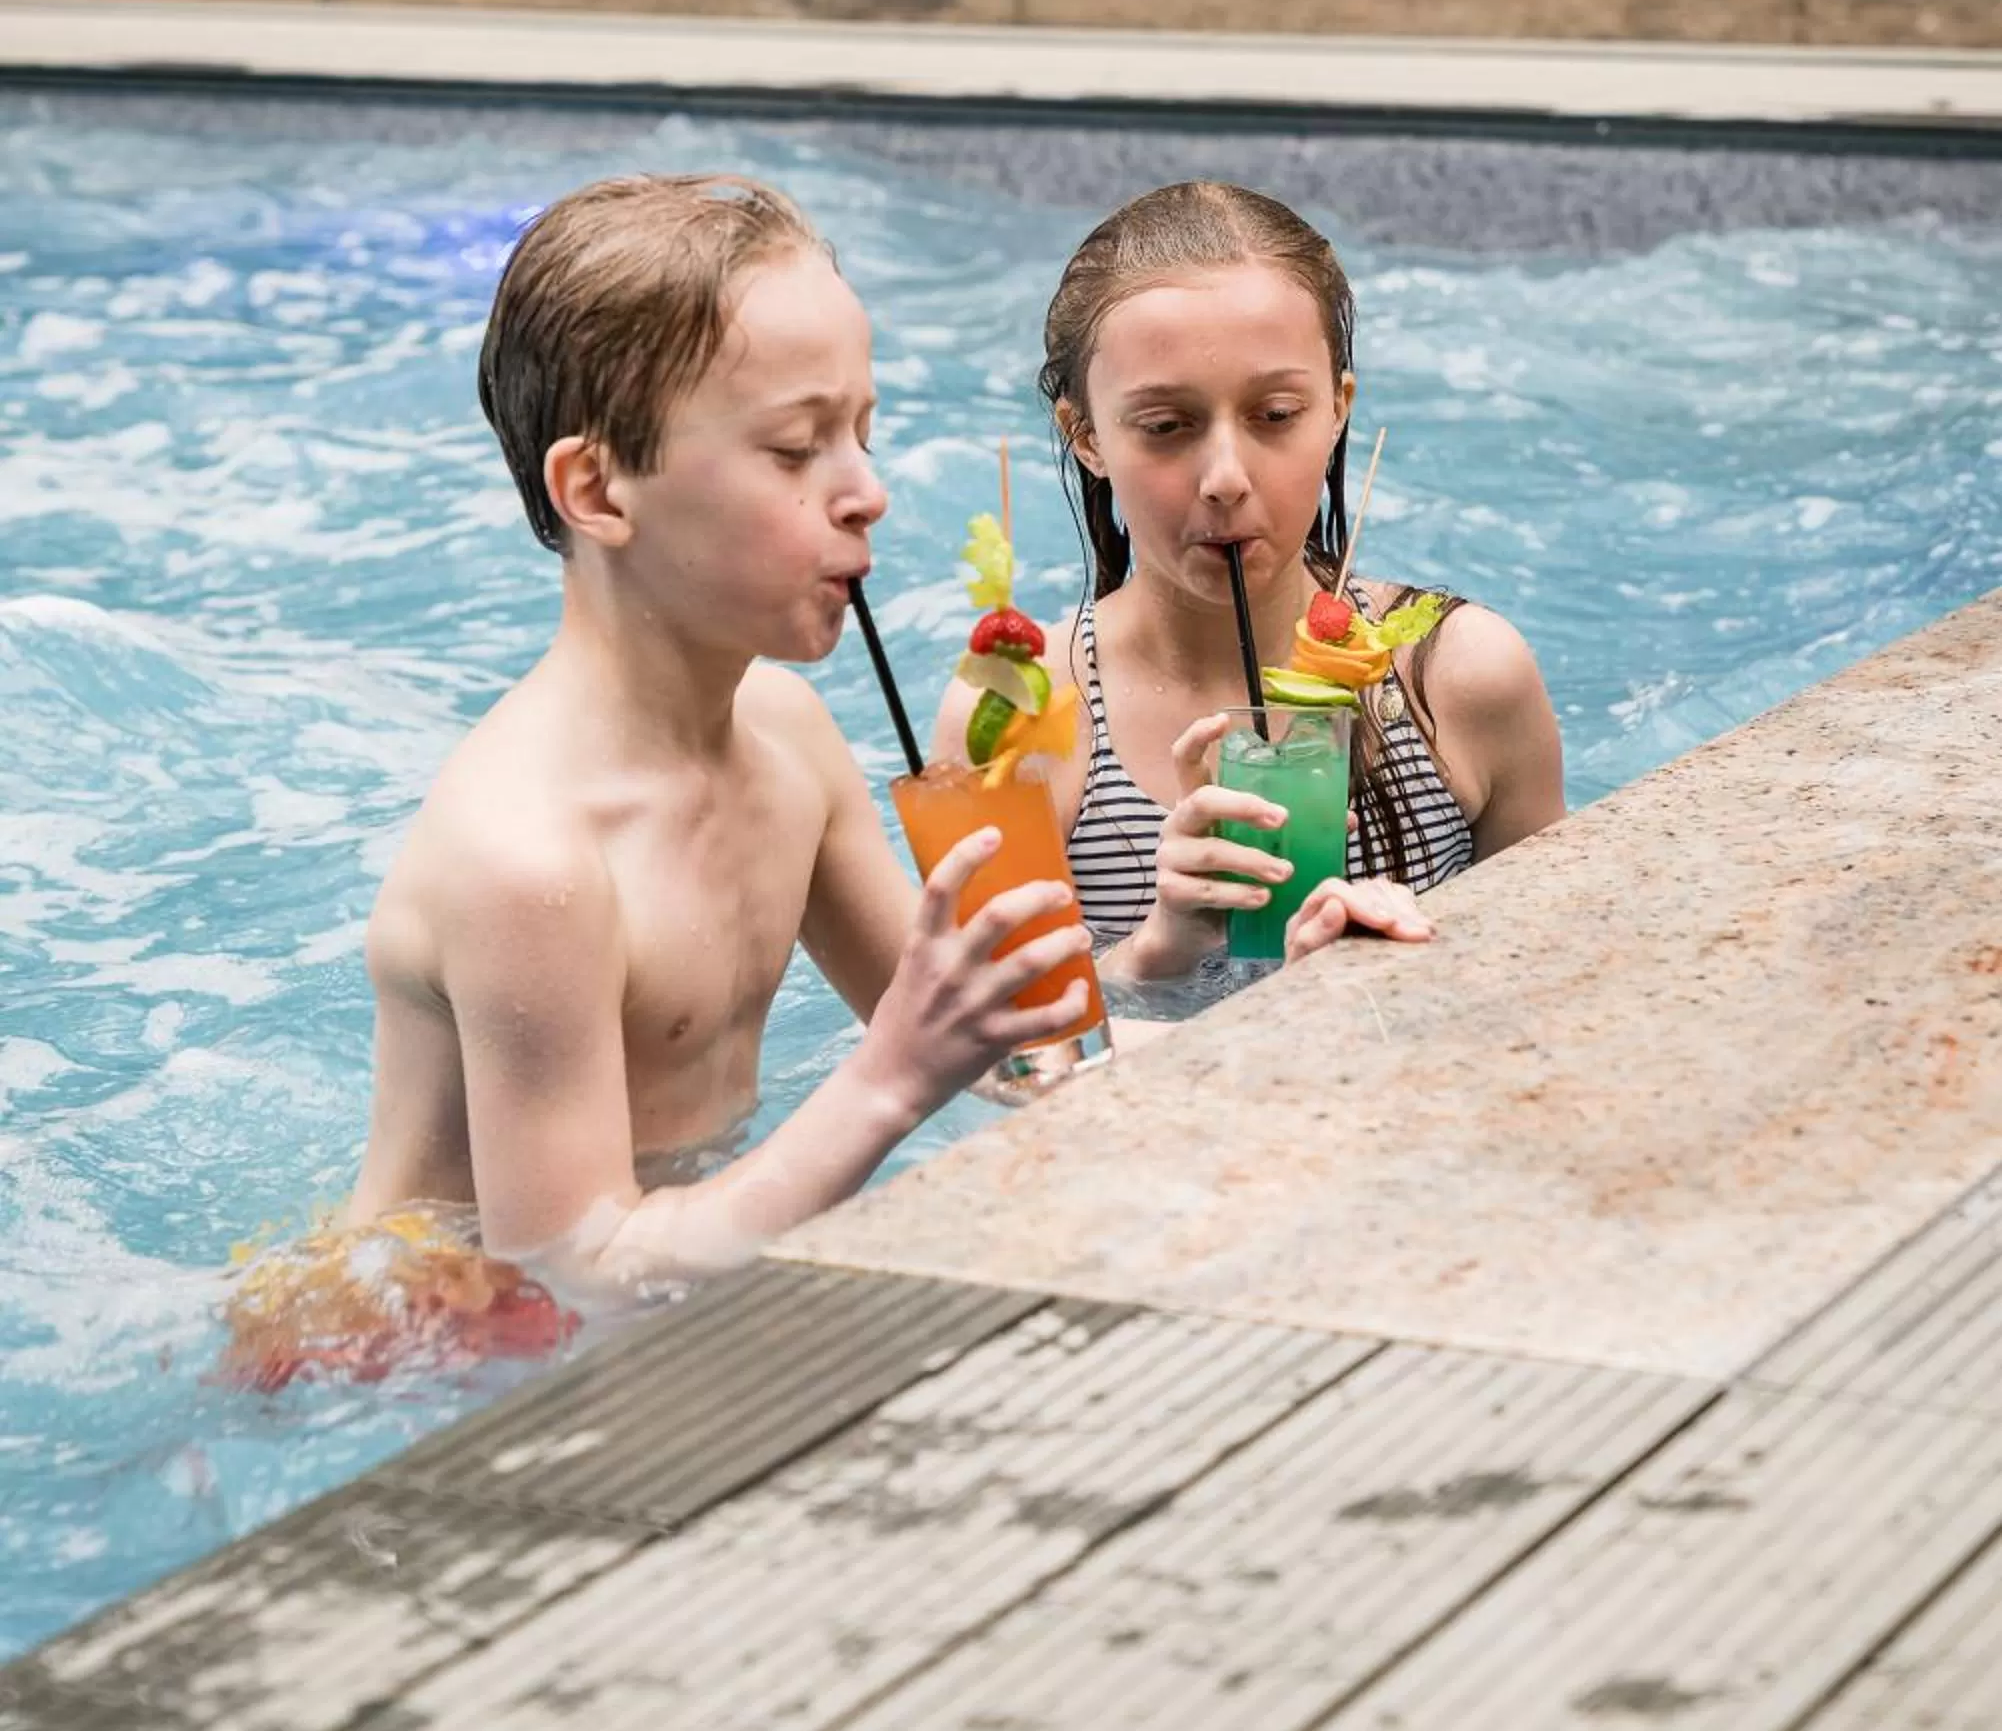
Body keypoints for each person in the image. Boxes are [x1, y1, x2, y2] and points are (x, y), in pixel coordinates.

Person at [344, 172, 1091, 1287]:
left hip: (665, 1280)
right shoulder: (529, 864)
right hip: (412, 1350)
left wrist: (1214, 997)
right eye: (796, 451)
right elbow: (578, 1272)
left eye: (861, 435)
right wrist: (886, 1081)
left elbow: (997, 1044)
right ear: (597, 489)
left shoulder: (784, 738)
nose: (867, 493)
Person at [932, 181, 1563, 985]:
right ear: (1085, 435)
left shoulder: (1459, 676)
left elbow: (1552, 986)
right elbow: (1004, 1069)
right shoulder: (1021, 721)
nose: (1225, 478)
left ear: (1337, 409)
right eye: (1166, 427)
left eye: (1275, 415)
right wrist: (1158, 951)